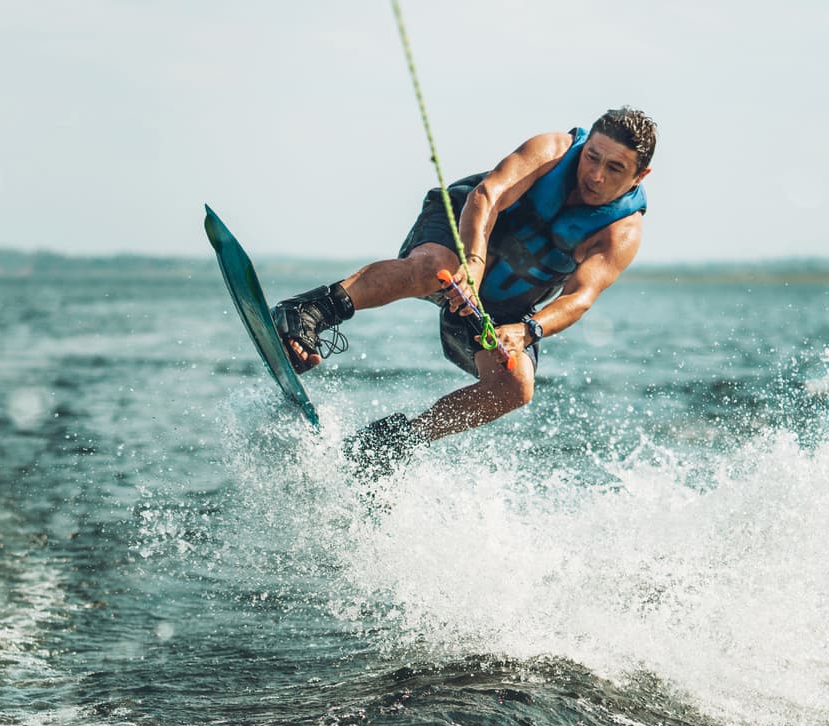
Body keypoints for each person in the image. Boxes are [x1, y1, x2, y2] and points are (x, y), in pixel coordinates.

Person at [272, 107, 654, 475]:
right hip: (462, 229)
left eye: (615, 168)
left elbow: (579, 298)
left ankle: (393, 444)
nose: (596, 174)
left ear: (640, 176)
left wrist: (527, 331)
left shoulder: (620, 233)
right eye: (592, 157)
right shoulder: (552, 150)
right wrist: (472, 261)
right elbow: (488, 194)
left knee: (515, 387)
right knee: (434, 269)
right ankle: (310, 311)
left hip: (503, 301)